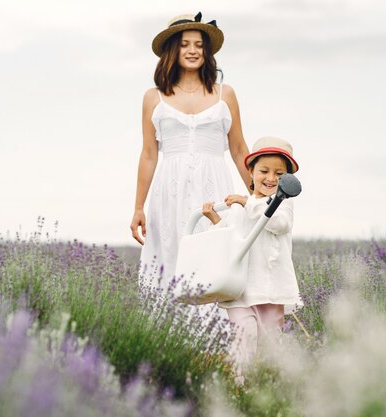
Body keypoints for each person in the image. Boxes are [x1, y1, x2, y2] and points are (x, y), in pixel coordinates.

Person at [130, 12, 250, 290]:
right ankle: (169, 333)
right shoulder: (153, 97)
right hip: (169, 192)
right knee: (171, 259)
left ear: (206, 52)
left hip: (214, 188)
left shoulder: (225, 94)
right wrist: (138, 207)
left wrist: (257, 197)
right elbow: (149, 154)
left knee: (216, 259)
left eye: (198, 44)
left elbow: (239, 149)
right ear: (173, 49)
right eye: (185, 44)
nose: (193, 50)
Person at [202, 136, 303, 379]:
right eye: (264, 171)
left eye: (279, 174)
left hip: (270, 288)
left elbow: (278, 223)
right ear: (251, 171)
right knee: (244, 333)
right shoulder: (239, 207)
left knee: (270, 344)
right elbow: (227, 238)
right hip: (240, 287)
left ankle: (267, 387)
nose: (270, 178)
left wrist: (247, 201)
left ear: (287, 180)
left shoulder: (283, 205)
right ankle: (240, 383)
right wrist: (215, 220)